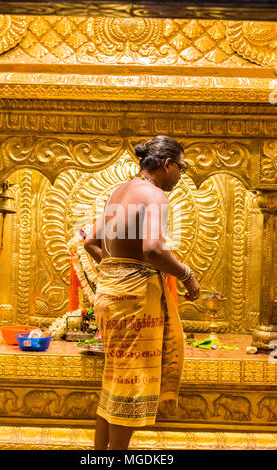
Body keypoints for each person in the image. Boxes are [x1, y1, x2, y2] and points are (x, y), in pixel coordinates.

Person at [84, 135, 200, 450]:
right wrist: (187, 276)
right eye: (182, 167)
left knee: (114, 381)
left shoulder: (118, 192)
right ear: (167, 164)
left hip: (109, 296)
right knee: (130, 386)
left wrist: (116, 273)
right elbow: (152, 249)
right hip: (135, 301)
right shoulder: (155, 196)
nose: (181, 174)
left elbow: (90, 243)